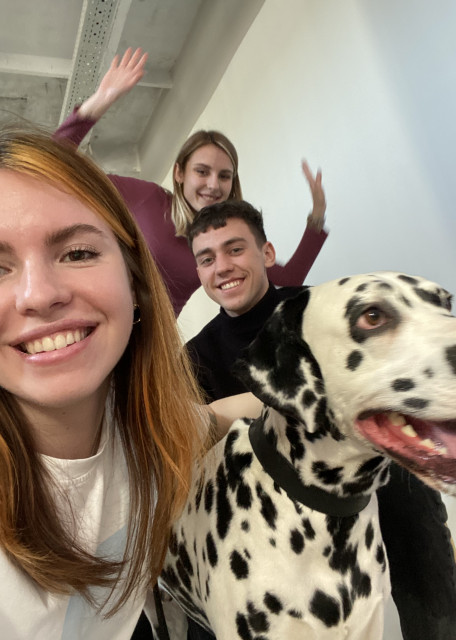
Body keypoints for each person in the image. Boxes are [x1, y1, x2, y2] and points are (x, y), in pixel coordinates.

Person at [0, 126, 260, 640]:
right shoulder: (148, 199)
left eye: (78, 253)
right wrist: (92, 109)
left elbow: (209, 421)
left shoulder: (142, 422)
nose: (39, 295)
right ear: (179, 174)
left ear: (137, 280)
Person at [185, 199, 456, 640]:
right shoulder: (195, 356)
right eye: (207, 258)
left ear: (267, 253)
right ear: (198, 272)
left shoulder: (316, 306)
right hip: (260, 516)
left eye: (235, 249)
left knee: (418, 530)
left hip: (368, 475)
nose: (222, 267)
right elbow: (197, 444)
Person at [54, 48, 328, 316]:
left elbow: (289, 279)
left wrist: (317, 215)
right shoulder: (147, 199)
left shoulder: (223, 238)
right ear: (179, 174)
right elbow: (53, 165)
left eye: (224, 176)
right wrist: (101, 100)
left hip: (153, 338)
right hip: (101, 317)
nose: (213, 185)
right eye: (202, 171)